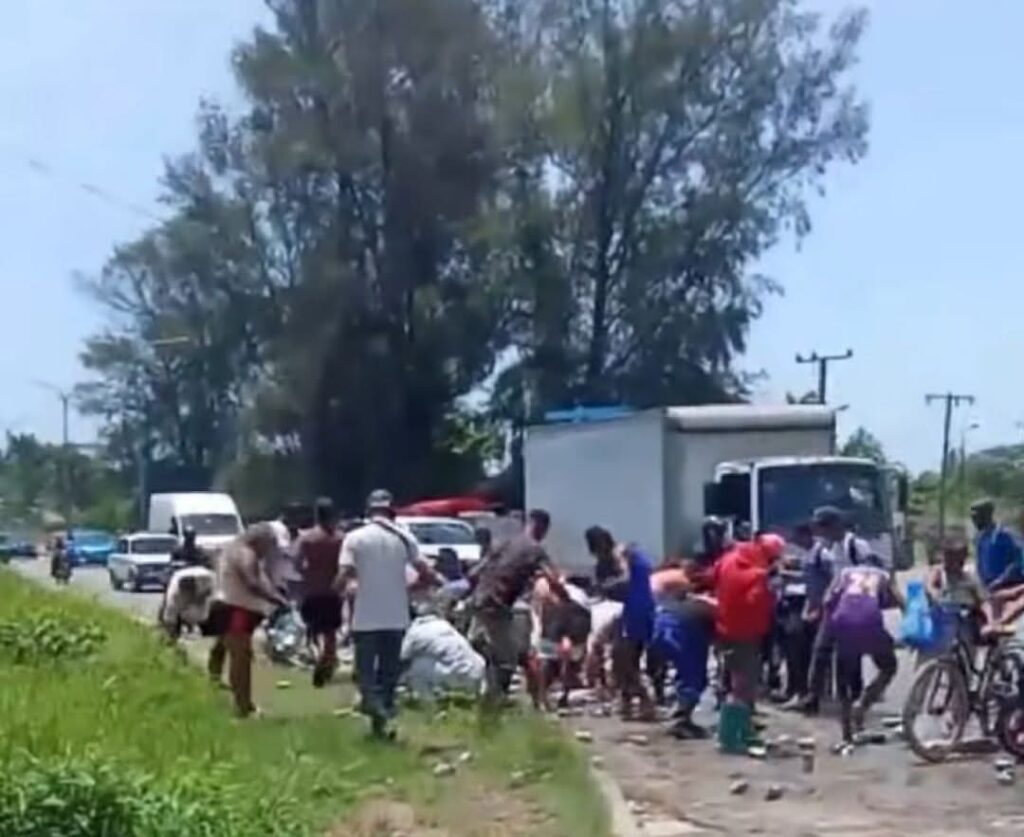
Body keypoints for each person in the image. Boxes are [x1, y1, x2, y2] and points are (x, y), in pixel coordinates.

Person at [335, 489, 441, 738]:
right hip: (396, 616)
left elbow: (345, 574)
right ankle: (381, 722)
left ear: (368, 510)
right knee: (388, 674)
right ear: (392, 510)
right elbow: (425, 573)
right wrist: (411, 587)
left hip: (365, 617)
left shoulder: (355, 537)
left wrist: (331, 594)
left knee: (364, 673)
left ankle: (376, 709)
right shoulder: (405, 538)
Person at [470, 509, 566, 706]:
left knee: (489, 650)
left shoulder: (504, 542)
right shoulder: (535, 549)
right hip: (497, 606)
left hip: (479, 601)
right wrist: (566, 599)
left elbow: (475, 572)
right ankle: (494, 703)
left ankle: (492, 697)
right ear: (542, 528)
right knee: (507, 659)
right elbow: (553, 578)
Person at [797, 506, 872, 714]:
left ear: (834, 525)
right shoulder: (831, 549)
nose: (820, 532)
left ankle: (856, 698)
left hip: (854, 607)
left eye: (823, 527)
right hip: (835, 606)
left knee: (851, 655)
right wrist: (826, 600)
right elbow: (835, 577)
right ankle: (813, 697)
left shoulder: (856, 546)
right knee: (820, 651)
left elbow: (870, 574)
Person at [712, 533, 784, 745]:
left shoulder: (726, 560)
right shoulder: (758, 576)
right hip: (745, 632)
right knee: (744, 683)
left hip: (723, 626)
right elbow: (757, 603)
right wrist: (772, 590)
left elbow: (714, 581)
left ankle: (741, 725)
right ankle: (732, 736)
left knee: (732, 677)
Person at [823, 557, 904, 742]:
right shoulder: (883, 575)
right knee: (888, 666)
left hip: (842, 622)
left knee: (843, 681)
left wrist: (830, 627)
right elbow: (898, 599)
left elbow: (828, 599)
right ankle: (863, 704)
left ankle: (846, 733)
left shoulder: (844, 573)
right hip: (870, 622)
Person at [211, 523, 287, 718]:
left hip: (228, 607)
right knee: (241, 658)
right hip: (237, 610)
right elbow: (252, 582)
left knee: (238, 656)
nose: (267, 552)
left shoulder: (230, 548)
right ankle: (243, 707)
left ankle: (242, 703)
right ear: (260, 541)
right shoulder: (246, 553)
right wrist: (277, 600)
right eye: (268, 546)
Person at [650, 555, 716, 738]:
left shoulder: (686, 600)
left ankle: (676, 712)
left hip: (660, 626)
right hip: (681, 633)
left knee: (680, 674)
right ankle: (681, 721)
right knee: (694, 677)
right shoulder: (710, 604)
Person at [298, 497, 344, 688]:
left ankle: (317, 656)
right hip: (332, 591)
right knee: (331, 634)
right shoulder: (340, 539)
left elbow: (295, 562)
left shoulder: (306, 538)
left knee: (313, 632)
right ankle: (326, 660)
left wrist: (306, 573)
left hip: (312, 591)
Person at [401, 603, 486, 700]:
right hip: (477, 674)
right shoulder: (445, 625)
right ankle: (479, 695)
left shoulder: (414, 632)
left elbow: (403, 658)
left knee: (416, 665)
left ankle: (429, 703)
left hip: (455, 676)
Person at [612, 542, 657, 721]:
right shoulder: (644, 565)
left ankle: (644, 698)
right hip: (644, 613)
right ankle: (628, 703)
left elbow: (625, 579)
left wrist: (607, 585)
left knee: (623, 660)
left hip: (633, 615)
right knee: (632, 658)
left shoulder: (629, 562)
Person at [971, 499, 1023, 593]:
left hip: (1010, 589)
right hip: (989, 590)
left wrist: (1001, 581)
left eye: (977, 515)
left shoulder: (1005, 535)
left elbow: (1018, 562)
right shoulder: (980, 539)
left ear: (988, 514)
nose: (974, 520)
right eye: (972, 517)